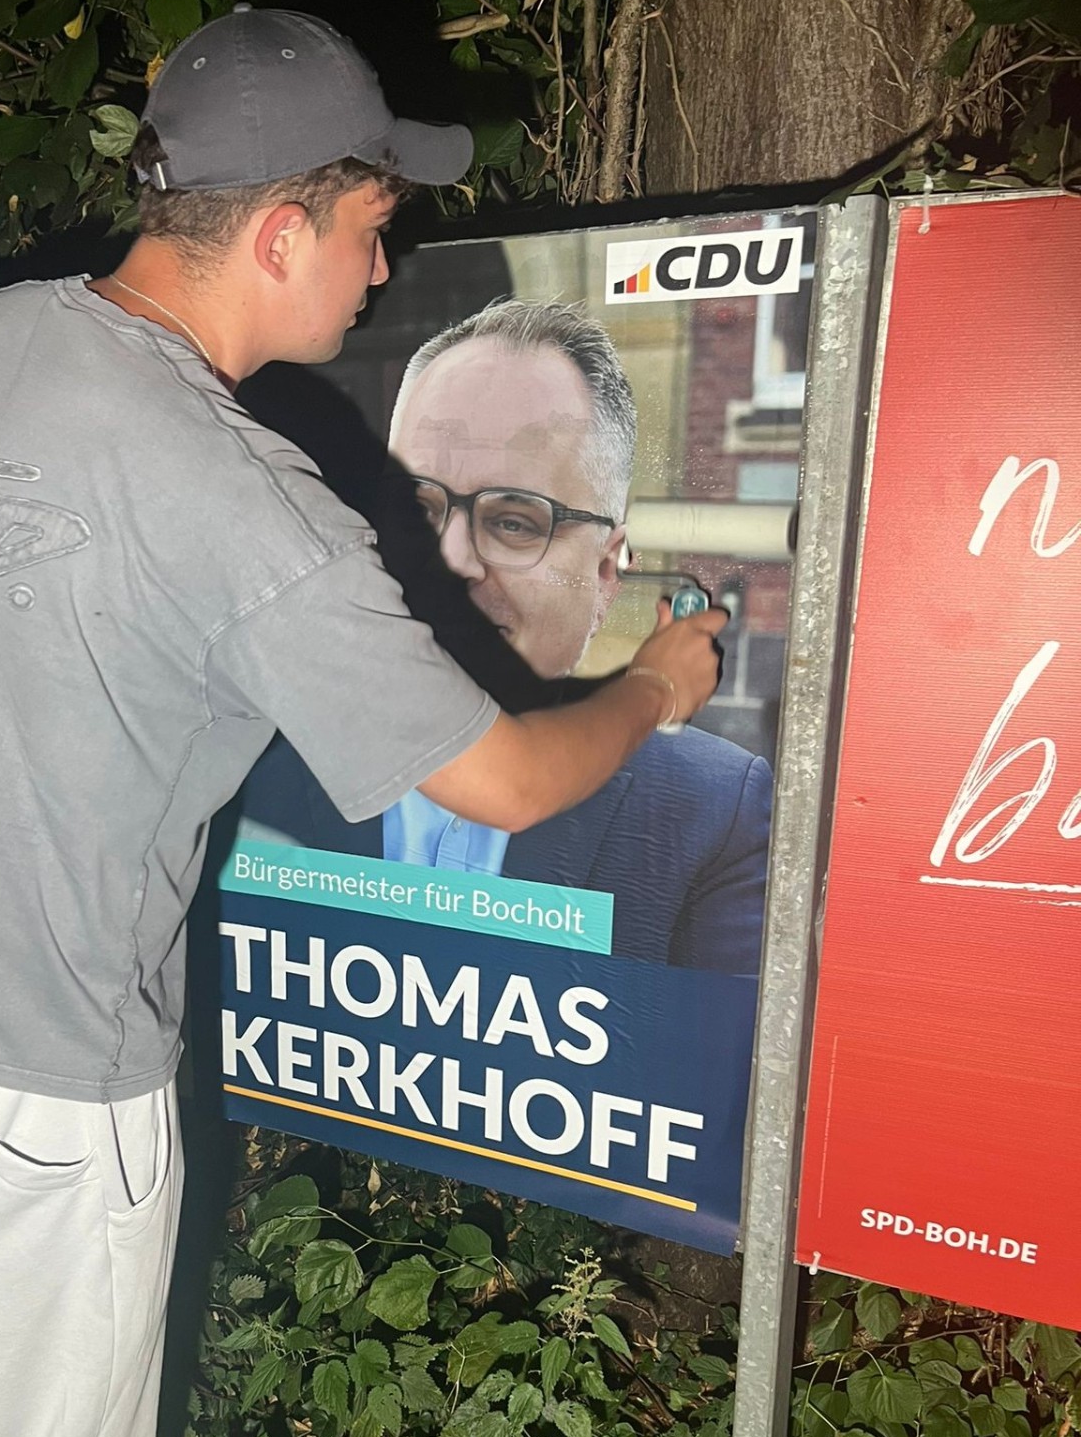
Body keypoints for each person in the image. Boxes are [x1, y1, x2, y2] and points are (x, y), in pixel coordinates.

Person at [0, 6, 727, 1437]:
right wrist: (662, 683)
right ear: (281, 229)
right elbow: (507, 781)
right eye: (370, 226)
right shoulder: (239, 495)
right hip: (43, 1075)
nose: (382, 266)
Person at [241, 299, 772, 973]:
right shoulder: (253, 755)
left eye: (515, 522)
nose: (452, 560)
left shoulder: (712, 814)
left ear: (606, 571)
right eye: (417, 509)